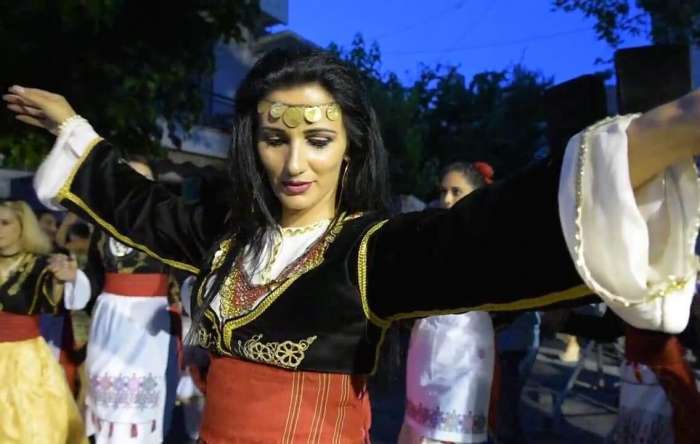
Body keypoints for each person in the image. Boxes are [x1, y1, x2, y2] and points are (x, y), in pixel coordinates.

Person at [4, 47, 699, 442]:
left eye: (317, 139)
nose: (294, 164)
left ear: (349, 148)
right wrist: (74, 131)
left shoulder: (369, 253)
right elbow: (142, 207)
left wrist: (665, 131)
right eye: (275, 139)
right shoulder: (227, 241)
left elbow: (492, 230)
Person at [76, 159, 180, 444]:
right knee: (104, 402)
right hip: (108, 323)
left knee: (145, 407)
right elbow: (93, 277)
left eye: (142, 178)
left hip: (151, 323)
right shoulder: (102, 225)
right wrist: (71, 278)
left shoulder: (168, 223)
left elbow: (187, 274)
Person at [398, 162, 498, 444]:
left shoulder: (490, 237)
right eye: (443, 191)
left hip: (464, 349)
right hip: (427, 341)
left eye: (456, 191)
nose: (447, 199)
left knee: (450, 431)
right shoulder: (431, 232)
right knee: (418, 428)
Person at [0, 200, 90, 443]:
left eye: (5, 223)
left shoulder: (42, 265)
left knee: (32, 428)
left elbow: (67, 302)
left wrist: (66, 279)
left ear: (23, 226)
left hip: (24, 359)